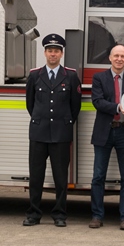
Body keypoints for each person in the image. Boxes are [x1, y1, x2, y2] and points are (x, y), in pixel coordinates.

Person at [23, 33, 81, 227]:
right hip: (39, 133)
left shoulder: (71, 76)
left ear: (61, 54)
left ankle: (59, 215)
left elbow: (75, 107)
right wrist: (41, 120)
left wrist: (63, 123)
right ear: (45, 53)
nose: (53, 54)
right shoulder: (34, 75)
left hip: (60, 134)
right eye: (50, 51)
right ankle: (33, 213)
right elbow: (30, 104)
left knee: (60, 178)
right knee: (36, 176)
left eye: (56, 51)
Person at [88, 44, 124, 230]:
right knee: (98, 176)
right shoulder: (99, 78)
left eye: (123, 56)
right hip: (104, 131)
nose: (119, 59)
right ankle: (97, 216)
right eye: (116, 55)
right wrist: (118, 107)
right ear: (110, 58)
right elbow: (97, 102)